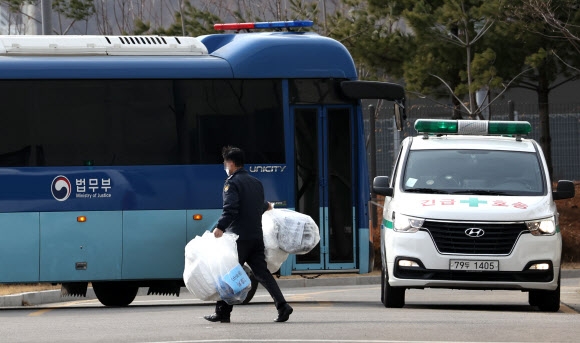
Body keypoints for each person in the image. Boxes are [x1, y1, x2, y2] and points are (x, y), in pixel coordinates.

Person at [204, 146, 293, 323]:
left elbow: (230, 209)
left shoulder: (232, 183)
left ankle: (222, 313)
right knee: (262, 273)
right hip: (256, 237)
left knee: (228, 273)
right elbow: (260, 206)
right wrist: (266, 205)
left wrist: (220, 227)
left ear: (230, 163)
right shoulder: (256, 182)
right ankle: (283, 306)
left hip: (239, 238)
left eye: (224, 162)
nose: (224, 166)